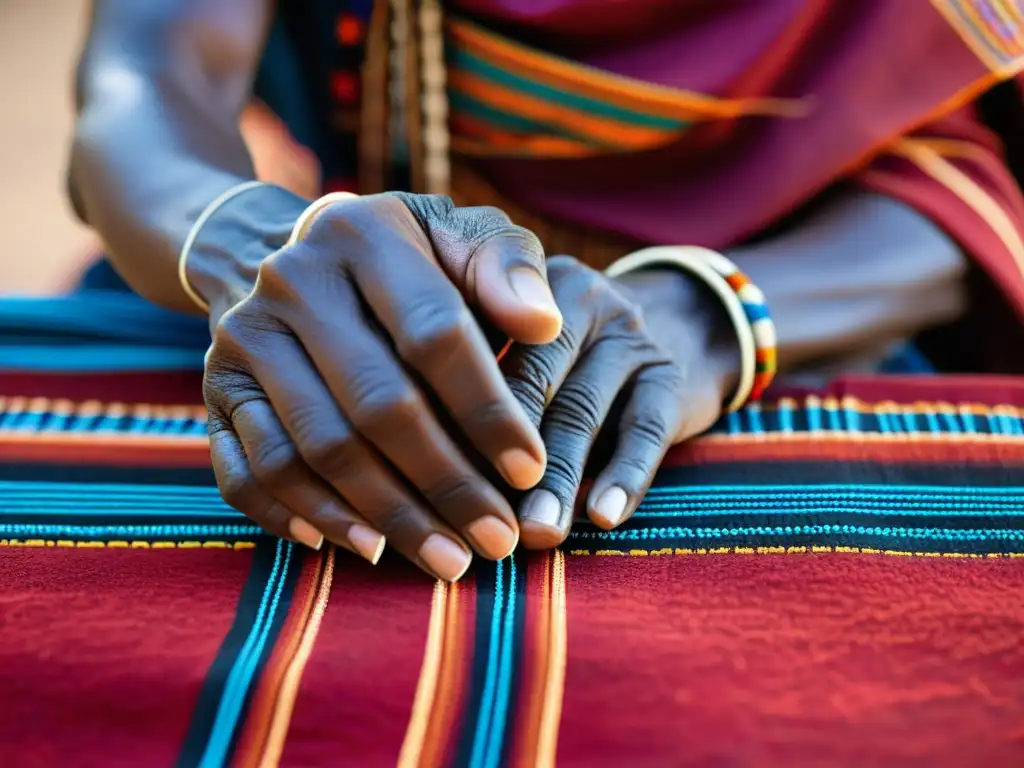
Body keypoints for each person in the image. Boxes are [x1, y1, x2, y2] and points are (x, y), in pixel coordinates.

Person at [69, 0, 1024, 581]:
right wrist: (261, 240)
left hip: (812, 306)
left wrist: (701, 311)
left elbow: (977, 179)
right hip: (320, 292)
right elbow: (145, 77)